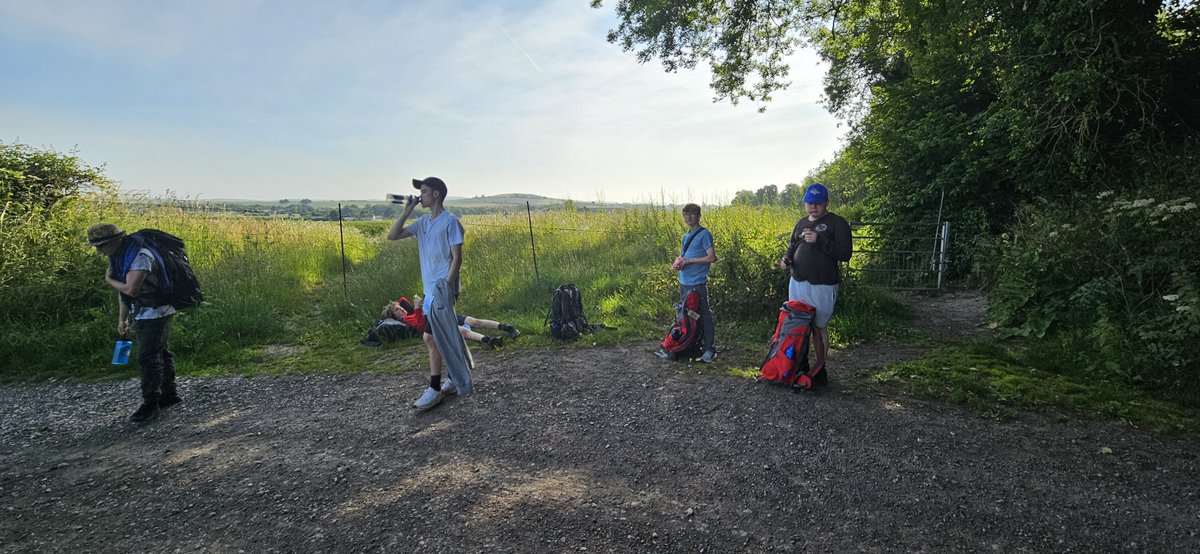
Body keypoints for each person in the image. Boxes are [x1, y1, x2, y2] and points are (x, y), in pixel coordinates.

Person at [88, 223, 183, 423]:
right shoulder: (121, 257)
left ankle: (150, 404)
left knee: (147, 356)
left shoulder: (140, 257)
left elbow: (130, 289)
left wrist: (108, 279)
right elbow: (124, 293)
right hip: (141, 312)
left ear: (116, 241)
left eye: (102, 245)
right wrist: (122, 319)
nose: (99, 250)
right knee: (160, 351)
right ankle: (169, 394)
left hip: (158, 311)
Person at [386, 176, 466, 411]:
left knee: (429, 337)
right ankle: (452, 378)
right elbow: (392, 235)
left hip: (443, 291)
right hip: (430, 291)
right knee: (441, 336)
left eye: (424, 191)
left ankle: (434, 389)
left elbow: (457, 258)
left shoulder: (451, 222)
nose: (420, 195)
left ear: (437, 194)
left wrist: (446, 289)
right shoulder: (422, 223)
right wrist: (407, 211)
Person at [779, 183, 853, 387]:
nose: (813, 207)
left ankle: (820, 370)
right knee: (798, 326)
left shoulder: (837, 223)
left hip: (823, 285)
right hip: (798, 282)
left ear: (826, 203)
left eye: (818, 203)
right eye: (809, 203)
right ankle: (799, 366)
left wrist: (820, 241)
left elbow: (845, 254)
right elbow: (793, 246)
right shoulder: (801, 222)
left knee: (819, 328)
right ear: (805, 204)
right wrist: (786, 259)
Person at [380, 295, 519, 348]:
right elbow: (421, 325)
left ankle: (507, 328)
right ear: (396, 318)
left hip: (440, 313)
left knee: (473, 321)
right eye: (398, 311)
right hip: (434, 323)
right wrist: (416, 308)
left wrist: (406, 304)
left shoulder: (408, 313)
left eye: (400, 308)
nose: (402, 310)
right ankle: (488, 340)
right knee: (462, 330)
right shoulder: (407, 321)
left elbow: (402, 299)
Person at [673, 203, 717, 362]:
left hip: (697, 282)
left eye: (692, 214)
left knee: (704, 314)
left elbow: (711, 258)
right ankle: (690, 345)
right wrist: (679, 263)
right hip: (684, 280)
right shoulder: (686, 235)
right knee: (687, 315)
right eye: (686, 214)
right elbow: (684, 256)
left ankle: (709, 349)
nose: (688, 217)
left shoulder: (704, 234)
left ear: (698, 216)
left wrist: (690, 261)